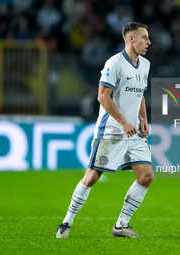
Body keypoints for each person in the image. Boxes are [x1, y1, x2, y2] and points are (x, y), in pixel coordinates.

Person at [56, 22, 153, 238]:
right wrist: (123, 122)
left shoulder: (145, 64)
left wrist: (143, 119)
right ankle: (66, 222)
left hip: (134, 132)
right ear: (131, 39)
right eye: (144, 37)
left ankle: (121, 225)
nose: (148, 42)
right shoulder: (114, 63)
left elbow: (139, 94)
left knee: (146, 176)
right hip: (112, 131)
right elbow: (102, 96)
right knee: (91, 177)